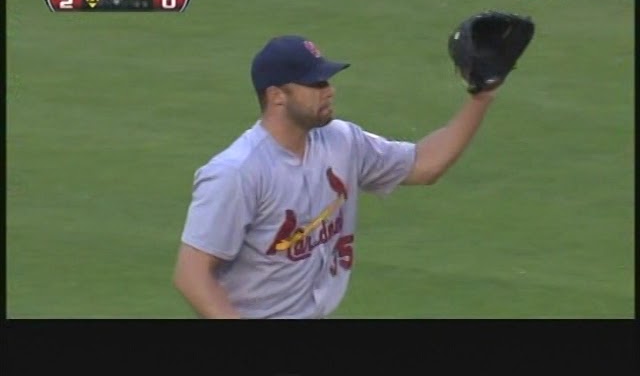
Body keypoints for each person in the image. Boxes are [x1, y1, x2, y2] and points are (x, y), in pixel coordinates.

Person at [173, 34, 497, 319]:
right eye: (316, 84)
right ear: (277, 96)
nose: (329, 90)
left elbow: (425, 164)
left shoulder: (341, 141)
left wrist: (482, 95)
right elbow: (192, 275)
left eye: (327, 80)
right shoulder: (238, 173)